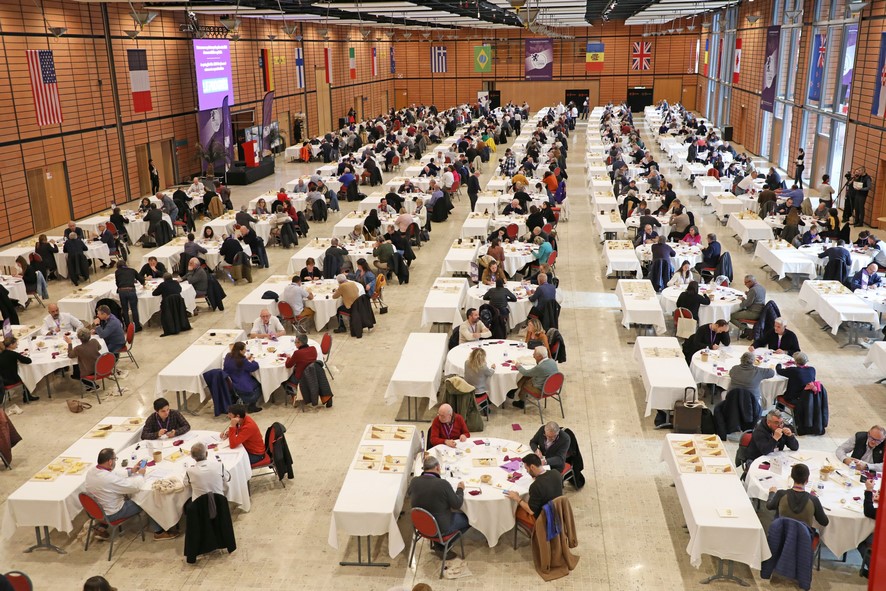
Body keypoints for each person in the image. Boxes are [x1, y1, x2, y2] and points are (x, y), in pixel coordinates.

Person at [84, 448, 176, 540]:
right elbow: (133, 487)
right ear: (110, 462)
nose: (115, 461)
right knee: (146, 499)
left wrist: (131, 471)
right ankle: (159, 532)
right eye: (115, 459)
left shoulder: (92, 471)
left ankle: (101, 527)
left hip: (98, 511)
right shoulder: (107, 479)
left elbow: (113, 474)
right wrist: (140, 474)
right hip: (114, 513)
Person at [407, 455, 469, 559]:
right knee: (470, 518)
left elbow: (410, 495)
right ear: (437, 468)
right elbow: (457, 504)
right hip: (440, 528)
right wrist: (460, 489)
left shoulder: (414, 481)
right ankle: (442, 545)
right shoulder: (442, 484)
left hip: (420, 525)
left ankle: (438, 543)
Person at [505, 453, 563, 527]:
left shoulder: (535, 486)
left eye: (526, 469)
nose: (527, 471)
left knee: (514, 509)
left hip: (544, 517)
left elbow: (531, 511)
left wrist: (517, 498)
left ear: (532, 467)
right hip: (558, 510)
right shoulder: (556, 473)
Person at [767, 463, 829, 531]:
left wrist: (772, 493)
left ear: (792, 477)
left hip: (782, 535)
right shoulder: (813, 500)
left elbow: (769, 506)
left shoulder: (781, 494)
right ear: (807, 480)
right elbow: (824, 522)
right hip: (804, 539)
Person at [223, 347, 263, 413]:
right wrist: (253, 360)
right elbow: (254, 367)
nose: (245, 351)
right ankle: (251, 404)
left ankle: (244, 399)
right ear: (240, 351)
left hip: (231, 380)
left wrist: (246, 359)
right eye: (244, 349)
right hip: (242, 384)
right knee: (260, 383)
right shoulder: (242, 360)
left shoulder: (228, 356)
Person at [0, 337, 35, 402]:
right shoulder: (13, 354)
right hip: (11, 379)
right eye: (16, 343)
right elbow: (28, 361)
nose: (17, 345)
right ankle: (27, 396)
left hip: (2, 380)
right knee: (25, 375)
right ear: (11, 345)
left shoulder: (2, 354)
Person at [113, 261, 144, 333]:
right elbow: (141, 279)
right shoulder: (132, 270)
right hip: (131, 290)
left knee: (125, 310)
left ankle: (128, 327)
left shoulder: (117, 272)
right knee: (134, 309)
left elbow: (117, 282)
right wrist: (143, 283)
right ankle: (137, 327)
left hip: (122, 291)